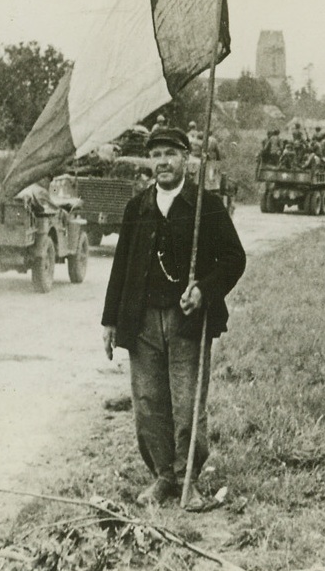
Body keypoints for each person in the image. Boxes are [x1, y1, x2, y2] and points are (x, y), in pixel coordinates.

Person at [101, 126, 246, 511]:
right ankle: (163, 476)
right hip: (141, 321)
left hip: (188, 322)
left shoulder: (206, 206)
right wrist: (110, 321)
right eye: (157, 154)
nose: (162, 161)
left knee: (186, 403)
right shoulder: (138, 207)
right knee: (148, 401)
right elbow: (121, 268)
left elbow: (235, 258)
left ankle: (188, 480)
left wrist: (203, 290)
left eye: (171, 153)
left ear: (187, 159)